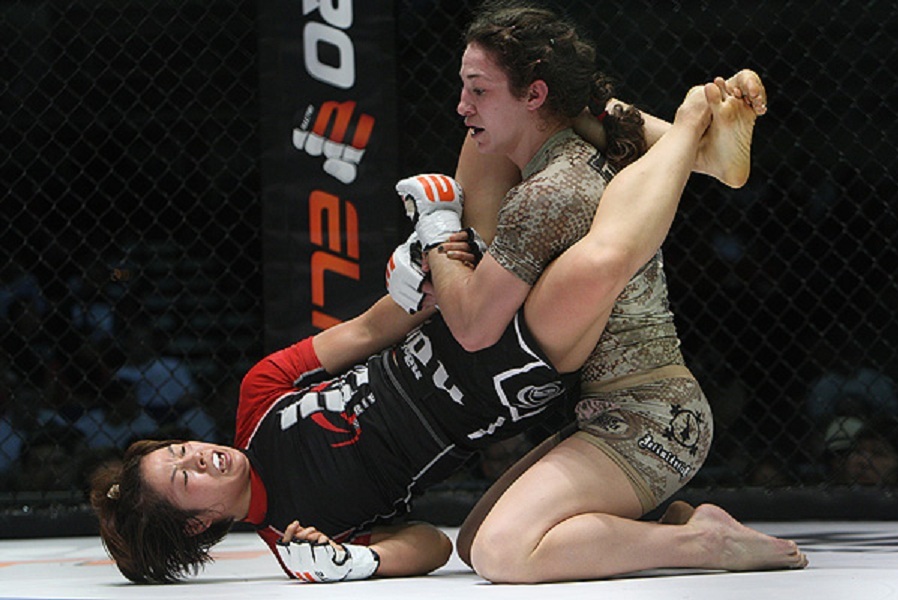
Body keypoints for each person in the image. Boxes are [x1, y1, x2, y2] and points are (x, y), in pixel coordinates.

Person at [87, 72, 798, 584]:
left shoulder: (257, 400)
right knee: (599, 263)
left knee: (488, 125)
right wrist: (358, 559)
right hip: (509, 367)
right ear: (198, 525)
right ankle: (690, 130)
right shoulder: (298, 539)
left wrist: (414, 279)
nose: (200, 455)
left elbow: (364, 333)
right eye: (185, 476)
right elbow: (430, 543)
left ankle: (695, 147)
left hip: (456, 307)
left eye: (180, 448)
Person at [409, 2, 804, 583]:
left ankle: (702, 542)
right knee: (472, 541)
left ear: (534, 94)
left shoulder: (550, 191)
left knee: (503, 551)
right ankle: (673, 522)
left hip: (653, 419)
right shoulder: (563, 147)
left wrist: (435, 229)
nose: (461, 106)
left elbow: (472, 325)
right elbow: (563, 118)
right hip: (608, 410)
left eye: (479, 90)